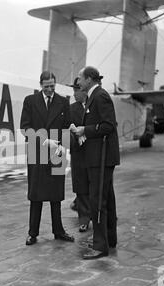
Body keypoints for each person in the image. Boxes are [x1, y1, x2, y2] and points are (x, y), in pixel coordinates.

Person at [70, 66, 120, 259]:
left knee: (97, 200)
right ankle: (109, 238)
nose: (78, 83)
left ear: (89, 79)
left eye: (80, 79)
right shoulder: (94, 96)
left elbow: (108, 125)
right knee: (106, 198)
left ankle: (100, 246)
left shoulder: (100, 96)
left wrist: (85, 130)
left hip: (102, 157)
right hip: (98, 156)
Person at [20, 71, 74, 246]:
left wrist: (61, 146)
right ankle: (32, 233)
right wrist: (44, 141)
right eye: (46, 86)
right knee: (36, 195)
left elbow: (66, 129)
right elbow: (25, 128)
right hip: (38, 152)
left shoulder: (63, 102)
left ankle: (58, 231)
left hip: (56, 152)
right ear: (40, 85)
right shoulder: (30, 101)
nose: (50, 89)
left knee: (56, 195)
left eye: (52, 86)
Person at [67, 77, 91, 233]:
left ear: (84, 90)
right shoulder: (71, 109)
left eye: (77, 90)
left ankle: (98, 214)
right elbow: (65, 129)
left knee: (94, 185)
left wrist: (86, 132)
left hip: (94, 151)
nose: (74, 93)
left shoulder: (95, 105)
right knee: (81, 187)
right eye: (73, 90)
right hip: (78, 153)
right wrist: (74, 136)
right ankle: (83, 219)